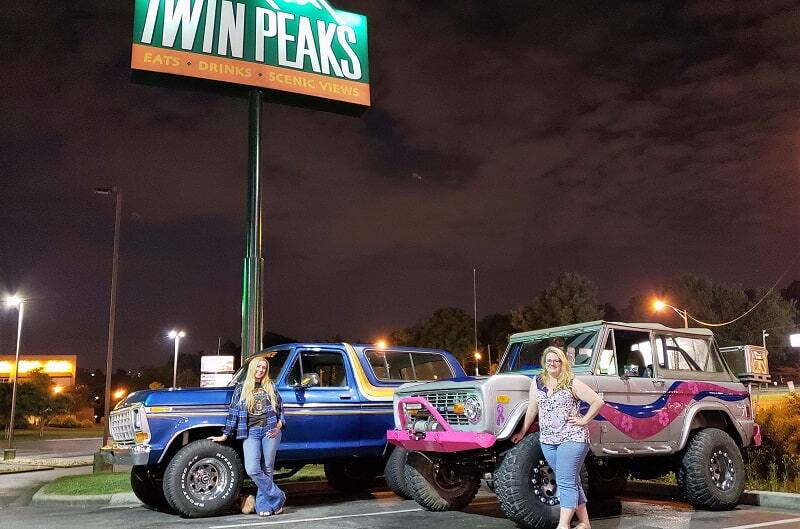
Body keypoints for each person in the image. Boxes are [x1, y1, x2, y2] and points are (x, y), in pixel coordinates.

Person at [511, 346, 605, 529]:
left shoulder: (571, 382)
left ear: (562, 363)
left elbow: (597, 401)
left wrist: (583, 420)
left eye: (556, 361)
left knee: (565, 481)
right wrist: (522, 432)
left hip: (572, 438)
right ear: (544, 364)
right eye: (549, 361)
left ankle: (563, 525)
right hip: (548, 440)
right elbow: (532, 409)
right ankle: (585, 523)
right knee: (571, 479)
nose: (552, 364)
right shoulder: (537, 382)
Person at [209, 357, 286, 517]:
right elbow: (233, 412)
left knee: (267, 468)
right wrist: (225, 434)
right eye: (258, 367)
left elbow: (280, 407)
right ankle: (278, 497)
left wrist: (280, 424)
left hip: (270, 431)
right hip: (250, 432)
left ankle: (264, 506)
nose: (261, 370)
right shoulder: (241, 388)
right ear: (252, 368)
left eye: (264, 368)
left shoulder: (270, 385)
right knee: (252, 468)